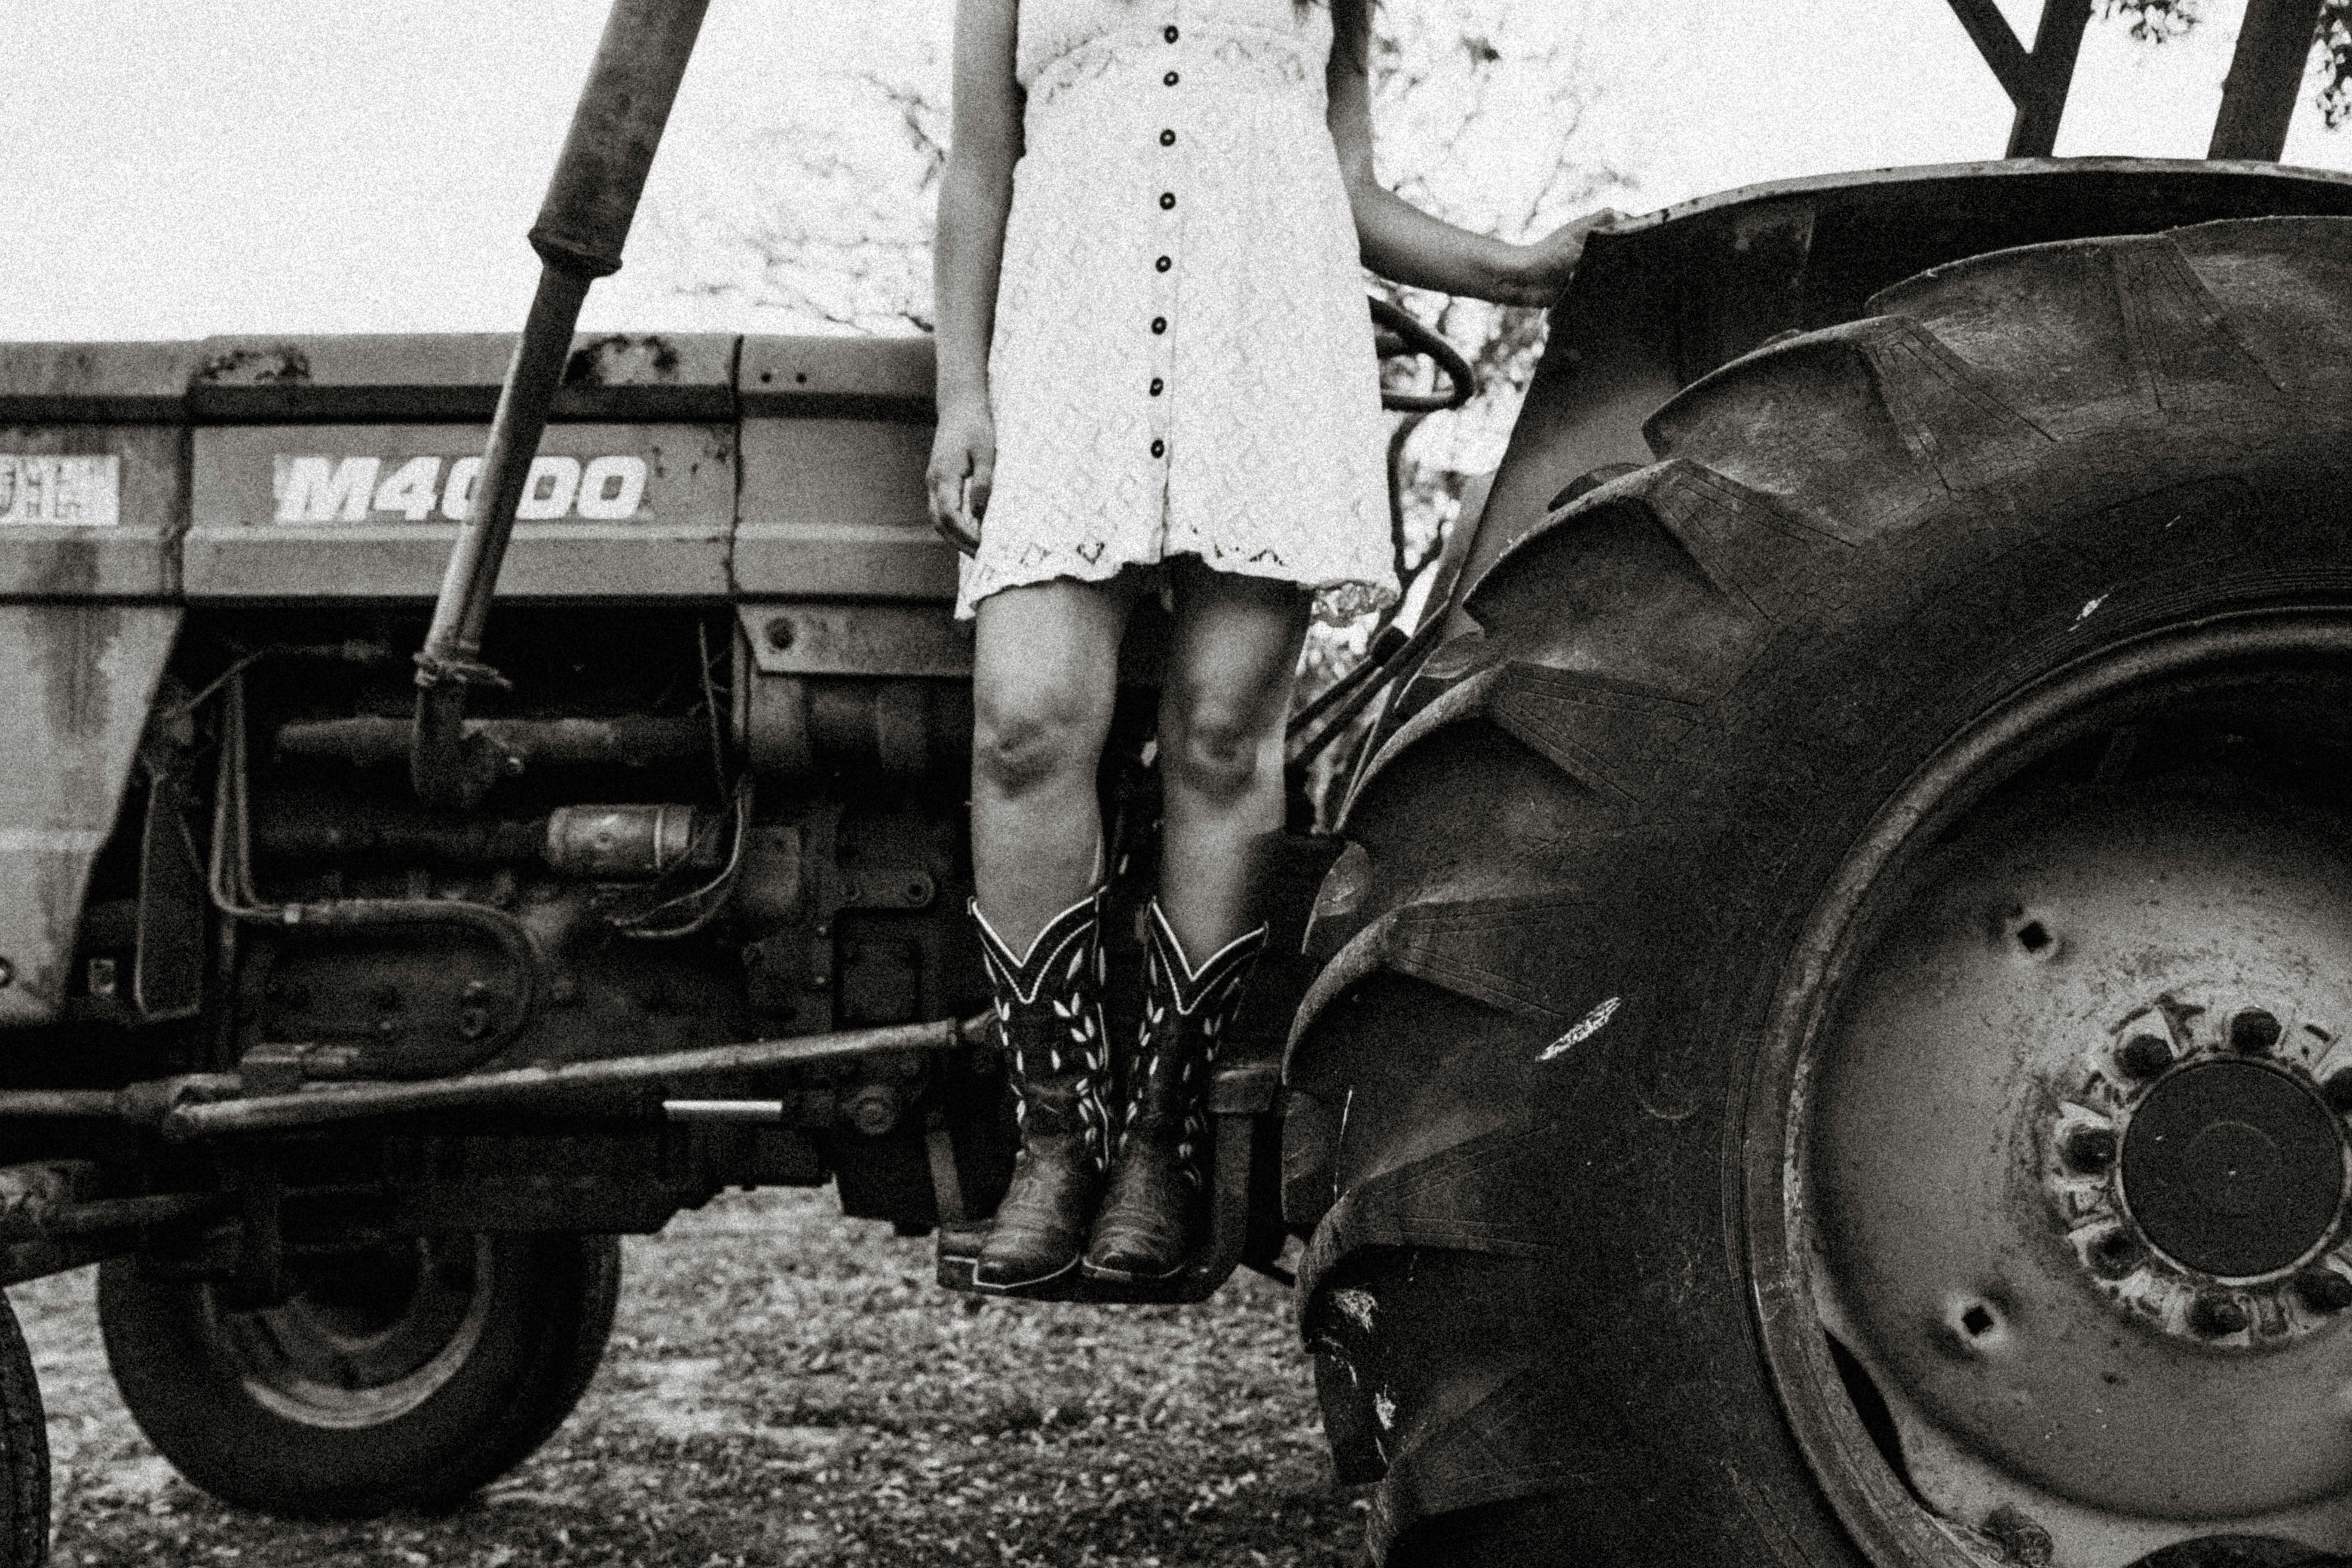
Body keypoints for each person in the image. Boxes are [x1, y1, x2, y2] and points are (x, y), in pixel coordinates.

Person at [928, 0, 1615, 1291]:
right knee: (1026, 727)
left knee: (1223, 733)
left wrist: (1517, 270)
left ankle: (1158, 1151)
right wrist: (963, 393)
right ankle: (1054, 1139)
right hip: (1066, 349)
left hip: (1269, 346)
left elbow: (1347, 185)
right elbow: (980, 168)